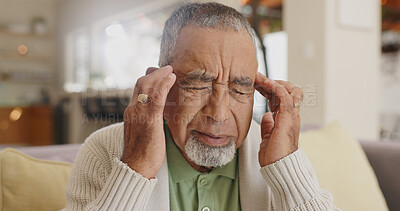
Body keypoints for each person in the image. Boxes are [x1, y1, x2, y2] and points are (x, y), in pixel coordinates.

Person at [64, 2, 340, 211]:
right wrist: (136, 168)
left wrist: (286, 169)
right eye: (198, 85)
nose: (218, 114)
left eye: (239, 88)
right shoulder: (106, 149)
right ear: (158, 84)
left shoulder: (277, 152)